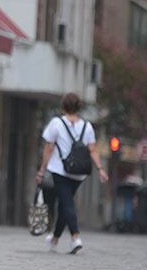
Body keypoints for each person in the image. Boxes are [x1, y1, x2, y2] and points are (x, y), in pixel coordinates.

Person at [36, 93, 107, 254]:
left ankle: (75, 237)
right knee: (64, 205)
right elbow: (93, 150)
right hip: (79, 173)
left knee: (67, 204)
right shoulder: (87, 126)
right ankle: (54, 239)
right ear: (79, 108)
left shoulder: (56, 123)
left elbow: (48, 148)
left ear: (63, 107)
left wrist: (41, 171)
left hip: (60, 171)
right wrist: (100, 169)